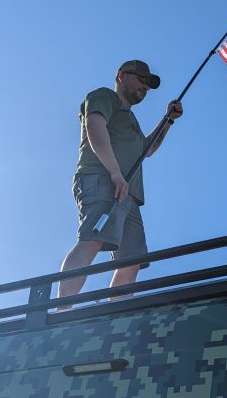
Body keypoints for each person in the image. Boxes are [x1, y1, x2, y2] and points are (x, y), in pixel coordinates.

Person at [58, 60, 183, 301]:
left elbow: (147, 149)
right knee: (92, 240)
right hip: (102, 180)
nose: (145, 86)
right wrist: (115, 172)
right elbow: (94, 124)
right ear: (121, 75)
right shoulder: (105, 96)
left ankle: (117, 314)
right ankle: (62, 309)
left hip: (130, 196)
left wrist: (168, 119)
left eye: (148, 84)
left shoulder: (131, 121)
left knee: (131, 260)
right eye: (141, 79)